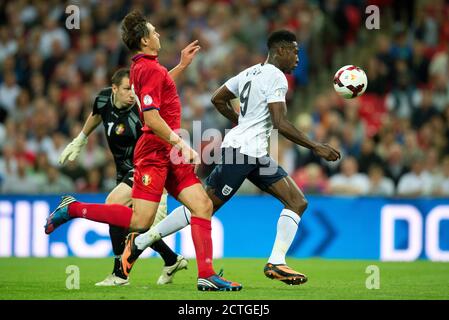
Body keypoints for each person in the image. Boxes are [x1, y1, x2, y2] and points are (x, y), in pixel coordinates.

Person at [45, 11, 242, 292]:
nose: (159, 34)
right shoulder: (147, 68)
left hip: (166, 150)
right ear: (144, 40)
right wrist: (182, 144)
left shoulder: (147, 67)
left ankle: (207, 275)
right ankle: (74, 209)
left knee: (202, 206)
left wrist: (181, 66)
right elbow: (150, 118)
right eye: (154, 31)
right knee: (141, 221)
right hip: (155, 151)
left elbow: (159, 86)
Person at [129, 30, 341, 285]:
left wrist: (242, 122)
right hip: (240, 153)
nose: (298, 57)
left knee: (297, 201)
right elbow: (280, 122)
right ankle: (141, 241)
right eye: (295, 52)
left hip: (254, 153)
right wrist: (316, 146)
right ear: (281, 51)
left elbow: (218, 99)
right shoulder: (277, 78)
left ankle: (276, 262)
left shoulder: (250, 72)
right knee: (204, 207)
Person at [58, 64, 197, 286]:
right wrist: (81, 139)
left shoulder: (139, 110)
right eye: (126, 89)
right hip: (125, 173)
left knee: (114, 206)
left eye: (134, 89)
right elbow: (95, 116)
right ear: (114, 89)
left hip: (146, 170)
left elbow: (160, 84)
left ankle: (118, 273)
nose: (132, 94)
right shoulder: (103, 99)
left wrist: (180, 67)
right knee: (136, 226)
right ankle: (171, 259)